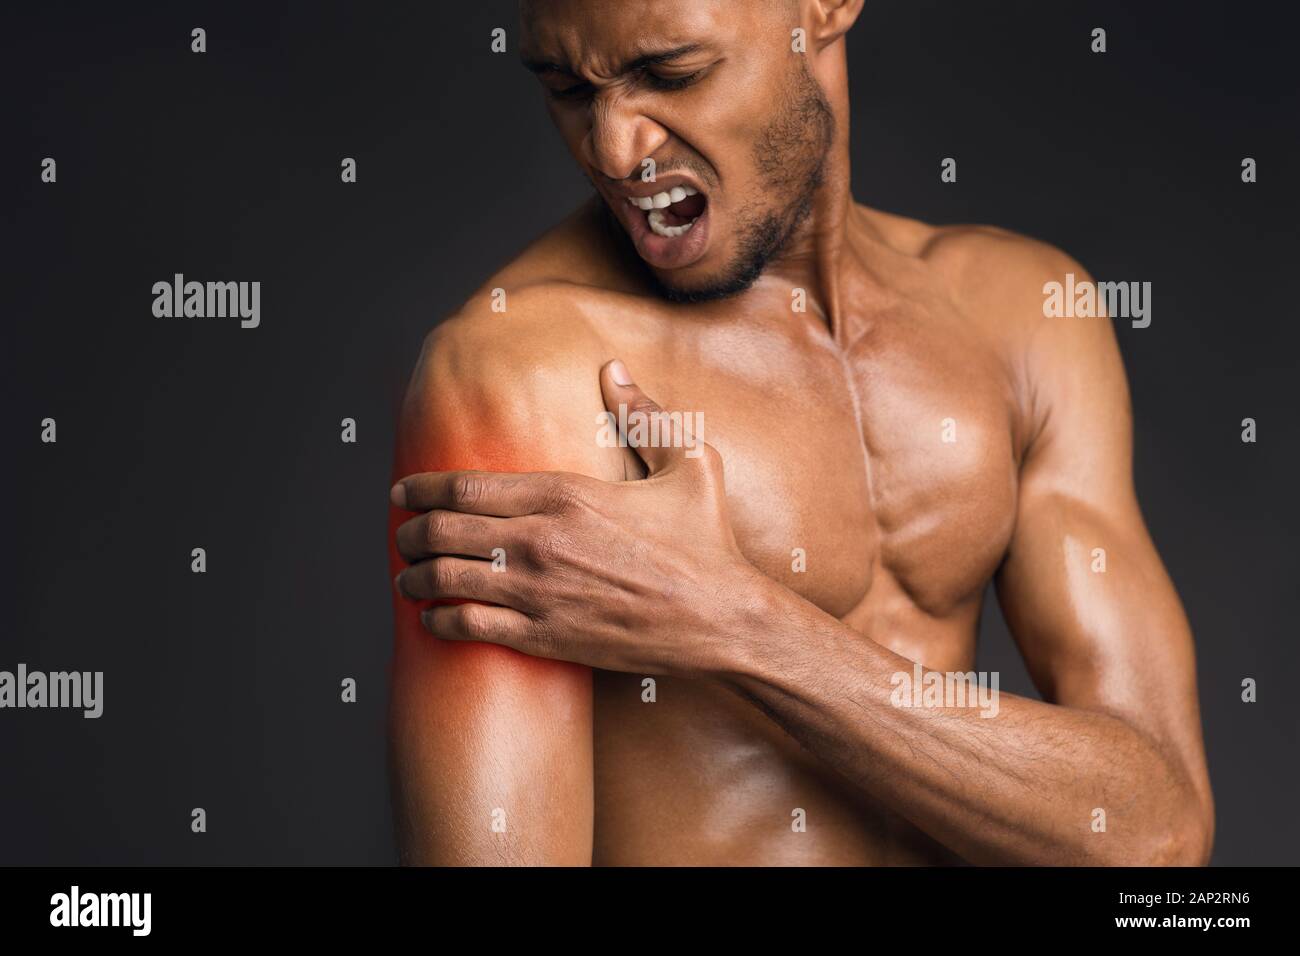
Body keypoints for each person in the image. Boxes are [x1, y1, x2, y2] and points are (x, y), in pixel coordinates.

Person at [386, 0, 1213, 865]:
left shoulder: (1023, 317)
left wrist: (737, 625)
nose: (615, 150)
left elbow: (1157, 832)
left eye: (673, 73)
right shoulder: (518, 371)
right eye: (566, 90)